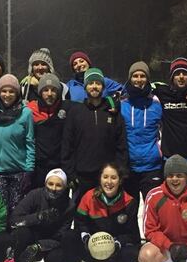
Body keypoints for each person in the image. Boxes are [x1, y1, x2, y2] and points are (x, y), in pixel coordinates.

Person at [58, 163, 141, 262]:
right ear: (100, 178)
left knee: (134, 252)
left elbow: (132, 235)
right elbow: (80, 222)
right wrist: (86, 238)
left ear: (120, 180)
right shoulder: (89, 197)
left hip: (114, 251)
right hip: (91, 248)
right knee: (69, 236)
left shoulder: (129, 202)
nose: (109, 182)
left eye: (113, 177)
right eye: (105, 177)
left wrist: (117, 243)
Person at [0, 73, 35, 262]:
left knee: (15, 217)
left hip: (17, 171)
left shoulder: (25, 113)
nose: (7, 94)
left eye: (11, 91)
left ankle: (14, 255)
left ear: (17, 93)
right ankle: (0, 256)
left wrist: (29, 169)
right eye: (4, 91)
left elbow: (30, 142)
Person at [61, 67, 129, 201]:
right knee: (81, 212)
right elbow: (67, 144)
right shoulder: (76, 112)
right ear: (85, 87)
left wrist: (120, 170)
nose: (94, 86)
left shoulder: (112, 112)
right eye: (91, 83)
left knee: (106, 212)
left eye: (98, 83)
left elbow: (121, 144)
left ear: (103, 86)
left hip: (107, 176)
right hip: (82, 176)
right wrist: (70, 173)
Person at [10, 169, 75, 262]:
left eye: (58, 185)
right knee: (21, 234)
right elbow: (14, 220)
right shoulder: (34, 195)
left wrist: (39, 246)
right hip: (31, 236)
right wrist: (38, 217)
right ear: (45, 183)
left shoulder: (69, 205)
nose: (54, 188)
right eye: (51, 184)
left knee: (62, 249)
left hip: (52, 242)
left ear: (64, 187)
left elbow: (62, 235)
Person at [153, 57, 187, 181]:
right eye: (177, 74)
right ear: (172, 77)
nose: (181, 77)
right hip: (170, 158)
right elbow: (142, 86)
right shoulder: (163, 92)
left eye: (185, 73)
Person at [120, 61, 163, 203]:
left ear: (148, 79)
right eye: (135, 76)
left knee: (154, 209)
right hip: (129, 167)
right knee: (129, 211)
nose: (139, 79)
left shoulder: (156, 102)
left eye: (142, 76)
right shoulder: (121, 103)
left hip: (152, 166)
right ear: (130, 78)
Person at [26, 73, 69, 186]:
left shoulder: (67, 108)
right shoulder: (30, 109)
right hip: (38, 167)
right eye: (45, 90)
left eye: (53, 90)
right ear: (40, 92)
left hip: (59, 167)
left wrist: (109, 102)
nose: (49, 94)